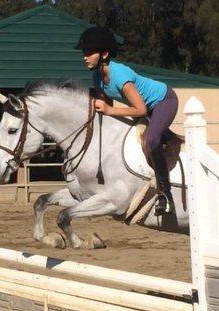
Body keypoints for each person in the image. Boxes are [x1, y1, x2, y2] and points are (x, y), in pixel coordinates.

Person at [75, 26, 177, 216]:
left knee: (152, 140)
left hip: (163, 101)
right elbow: (104, 110)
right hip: (144, 108)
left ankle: (166, 196)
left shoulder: (120, 74)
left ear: (104, 54)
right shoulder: (96, 78)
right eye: (84, 53)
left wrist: (110, 109)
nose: (85, 57)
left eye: (89, 52)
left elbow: (140, 109)